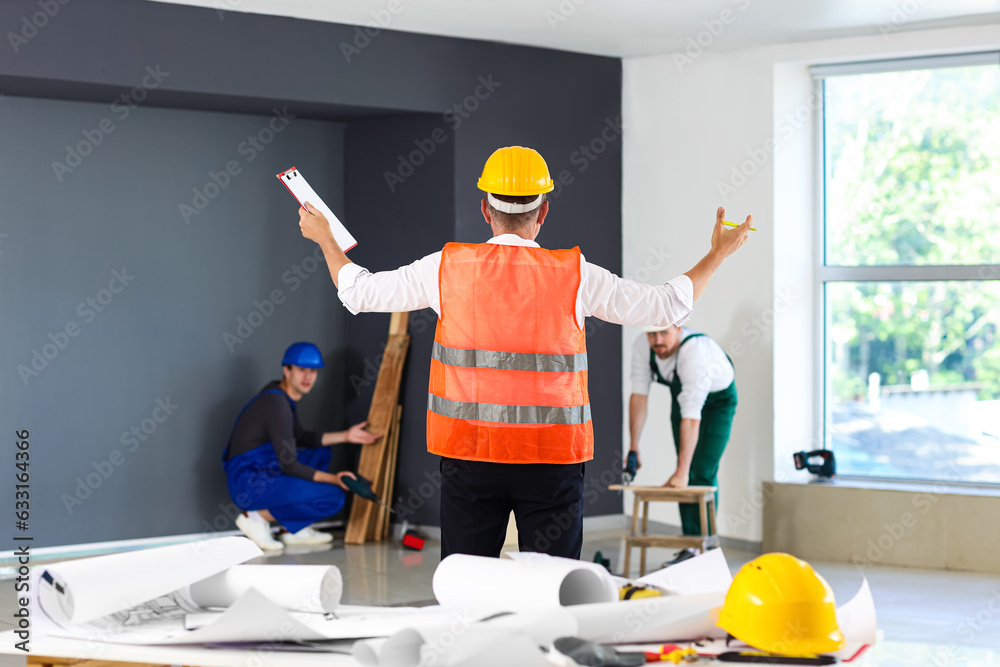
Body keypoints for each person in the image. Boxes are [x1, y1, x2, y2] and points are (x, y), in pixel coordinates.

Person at [296, 146, 752, 560]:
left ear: (484, 209)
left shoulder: (446, 267)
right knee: (551, 592)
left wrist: (324, 238)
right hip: (552, 461)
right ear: (543, 212)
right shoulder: (575, 274)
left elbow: (357, 292)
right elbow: (666, 305)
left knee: (467, 589)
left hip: (469, 456)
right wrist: (717, 254)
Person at [223, 341, 378, 551]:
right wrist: (336, 479)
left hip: (262, 469)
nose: (308, 377)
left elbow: (301, 437)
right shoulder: (277, 404)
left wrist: (346, 436)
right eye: (301, 370)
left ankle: (292, 529)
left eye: (313, 371)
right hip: (249, 481)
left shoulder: (281, 397)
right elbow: (290, 465)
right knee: (334, 497)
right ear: (287, 370)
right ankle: (255, 518)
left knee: (320, 451)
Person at [626, 325, 737, 565]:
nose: (658, 341)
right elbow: (639, 396)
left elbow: (692, 415)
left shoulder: (694, 352)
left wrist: (682, 471)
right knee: (683, 470)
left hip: (717, 403)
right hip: (683, 399)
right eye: (652, 334)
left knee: (700, 471)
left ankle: (702, 548)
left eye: (664, 333)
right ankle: (690, 544)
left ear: (678, 329)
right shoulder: (642, 347)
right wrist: (634, 446)